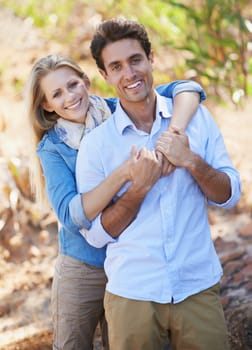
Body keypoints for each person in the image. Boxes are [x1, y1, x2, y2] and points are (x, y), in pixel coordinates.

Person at [76, 18, 241, 350]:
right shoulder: (96, 145)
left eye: (135, 60)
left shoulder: (196, 120)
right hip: (132, 294)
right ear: (105, 76)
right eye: (116, 66)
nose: (129, 73)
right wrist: (138, 189)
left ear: (152, 59)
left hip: (197, 286)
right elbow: (94, 234)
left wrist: (191, 161)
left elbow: (230, 195)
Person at [25, 53, 206, 350]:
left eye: (73, 85)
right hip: (84, 267)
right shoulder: (53, 147)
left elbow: (187, 88)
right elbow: (71, 216)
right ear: (47, 105)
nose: (69, 97)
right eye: (57, 93)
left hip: (129, 262)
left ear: (86, 81)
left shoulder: (118, 111)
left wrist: (174, 133)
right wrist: (124, 173)